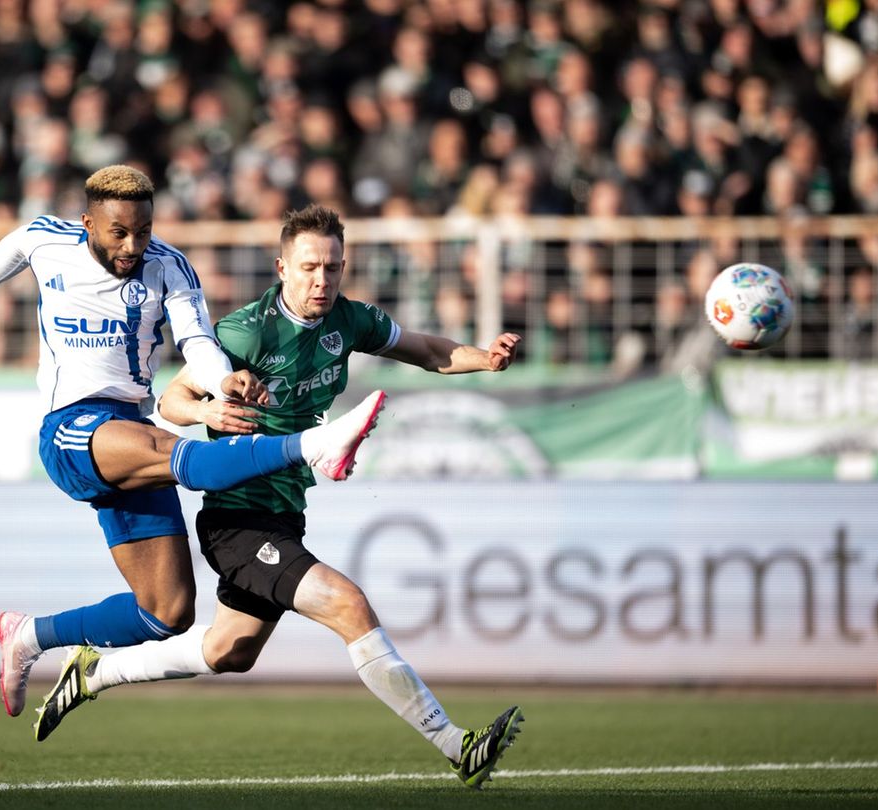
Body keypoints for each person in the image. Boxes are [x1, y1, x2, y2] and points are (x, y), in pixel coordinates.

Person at [30, 204, 524, 789]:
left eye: (333, 268)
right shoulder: (246, 331)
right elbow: (170, 402)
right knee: (348, 604)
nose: (322, 280)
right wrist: (209, 408)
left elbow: (424, 350)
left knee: (228, 651)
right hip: (237, 518)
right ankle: (455, 745)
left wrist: (484, 359)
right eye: (310, 267)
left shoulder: (350, 321)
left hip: (284, 514)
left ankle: (91, 675)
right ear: (282, 266)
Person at [0, 168, 389, 718]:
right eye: (119, 232)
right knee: (186, 457)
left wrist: (223, 381)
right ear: (88, 223)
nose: (132, 246)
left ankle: (27, 635)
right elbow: (15, 246)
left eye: (143, 231)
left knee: (166, 612)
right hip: (73, 428)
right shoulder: (49, 240)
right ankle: (314, 445)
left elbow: (196, 338)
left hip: (128, 426)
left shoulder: (169, 267)